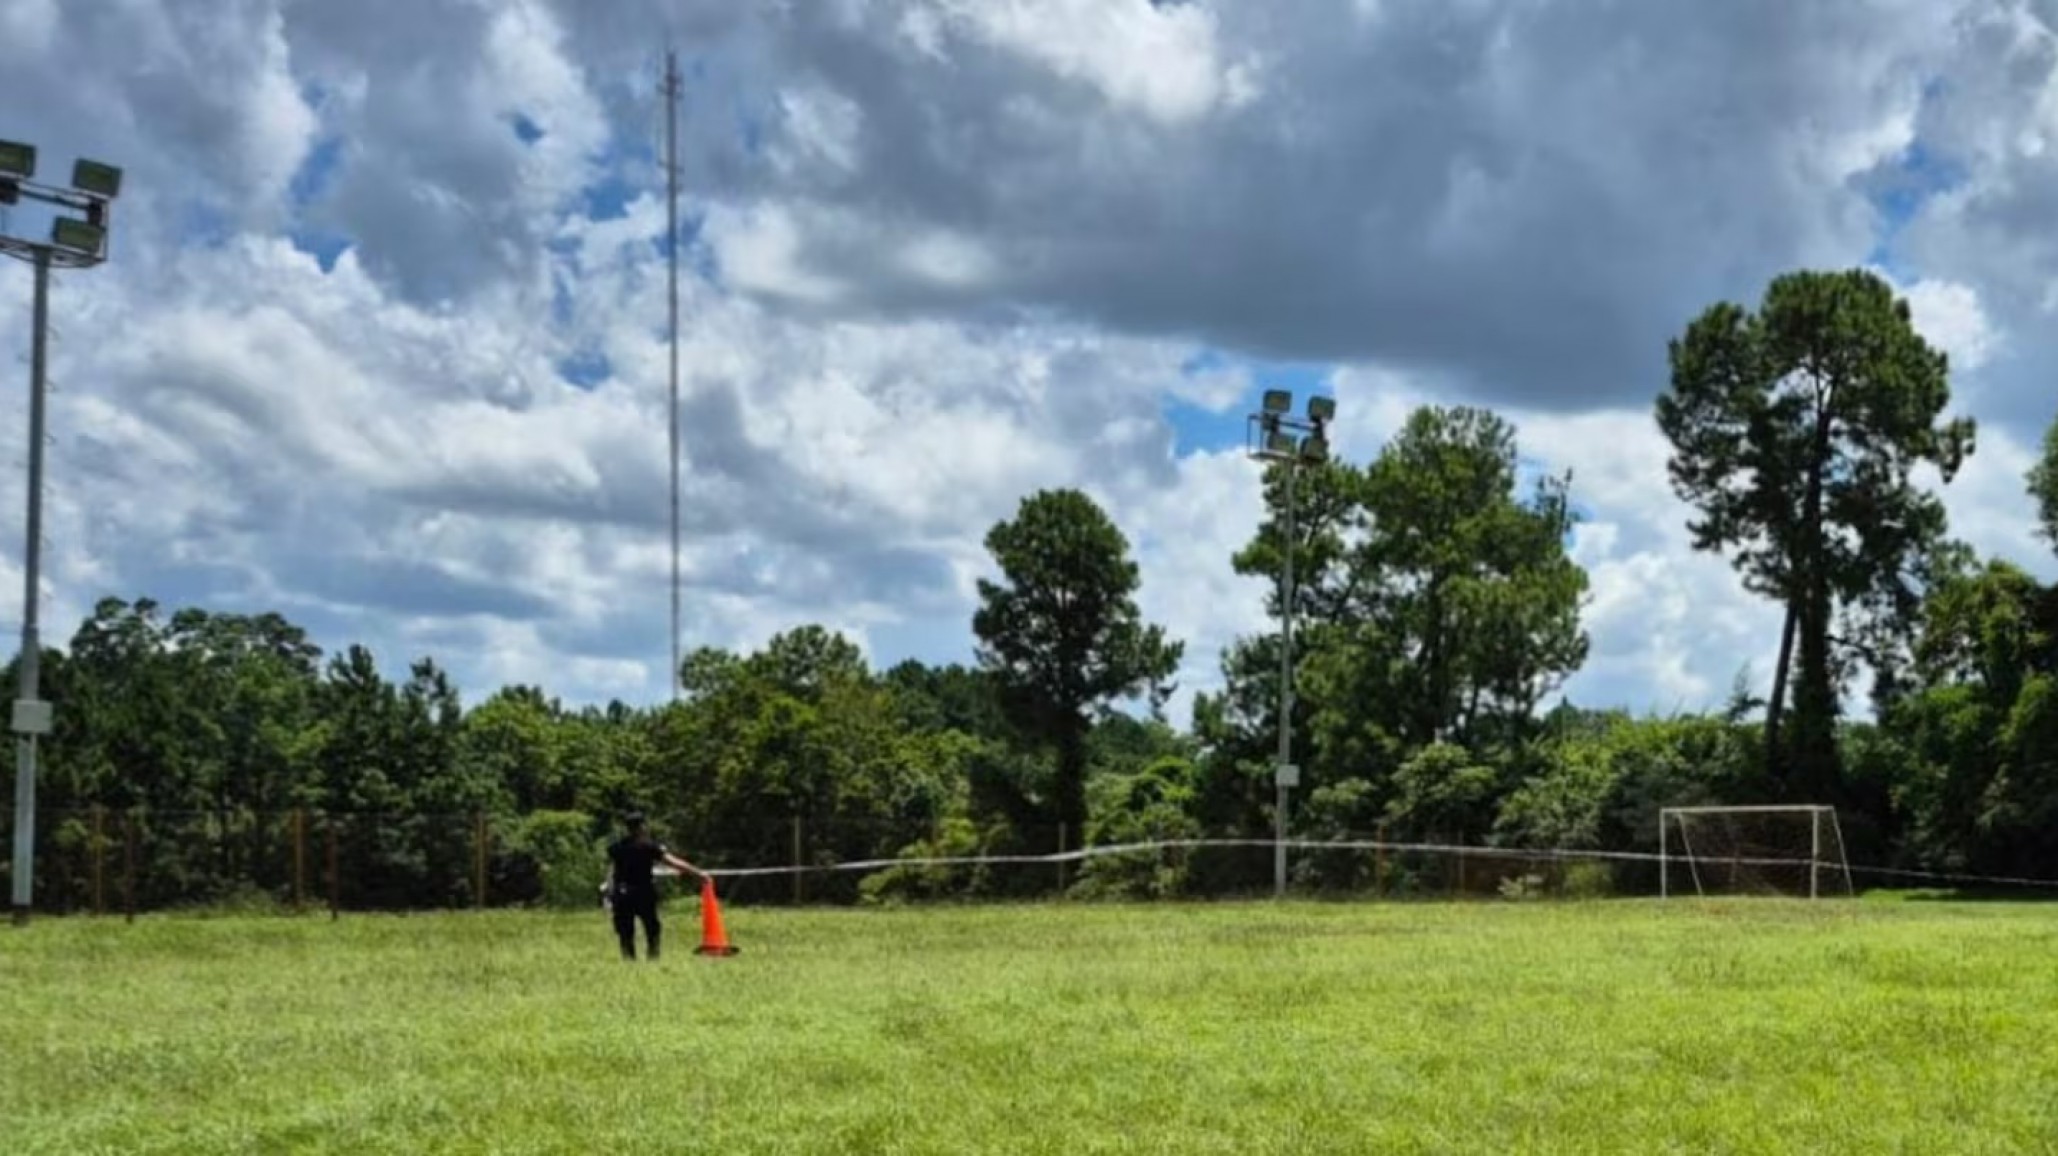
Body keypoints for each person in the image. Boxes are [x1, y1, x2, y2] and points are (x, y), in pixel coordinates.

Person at [601, 812, 704, 960]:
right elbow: (674, 862)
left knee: (625, 931)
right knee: (652, 928)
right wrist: (698, 873)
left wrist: (609, 891)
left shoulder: (616, 847)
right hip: (643, 892)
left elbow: (611, 869)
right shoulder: (649, 846)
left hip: (622, 893)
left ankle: (629, 960)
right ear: (642, 826)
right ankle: (653, 957)